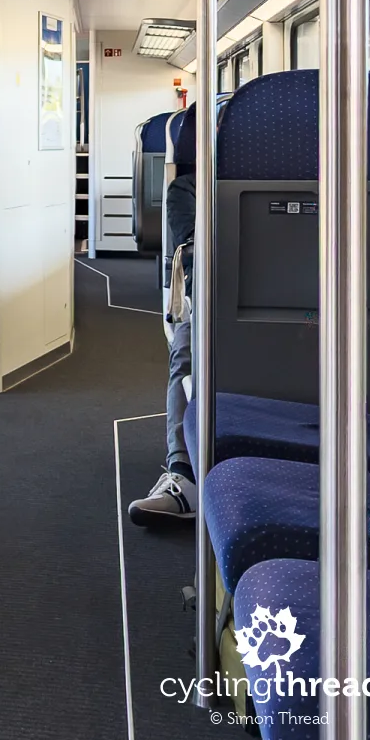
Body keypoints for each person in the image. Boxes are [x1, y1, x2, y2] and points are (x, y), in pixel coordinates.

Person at [128, 160, 197, 526]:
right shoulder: (188, 188)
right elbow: (196, 255)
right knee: (185, 355)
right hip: (213, 299)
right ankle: (183, 474)